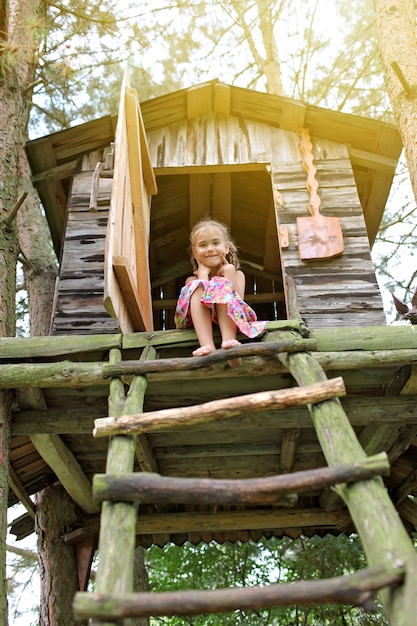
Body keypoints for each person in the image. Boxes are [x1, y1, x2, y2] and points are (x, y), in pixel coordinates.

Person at [174, 218, 266, 366]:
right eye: (203, 245)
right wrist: (203, 275)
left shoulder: (237, 274)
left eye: (215, 243)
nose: (210, 248)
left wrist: (229, 272)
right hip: (202, 319)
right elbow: (203, 298)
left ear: (227, 247)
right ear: (195, 252)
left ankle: (230, 345)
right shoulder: (192, 280)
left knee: (221, 285)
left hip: (232, 314)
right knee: (197, 285)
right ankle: (207, 346)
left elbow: (238, 301)